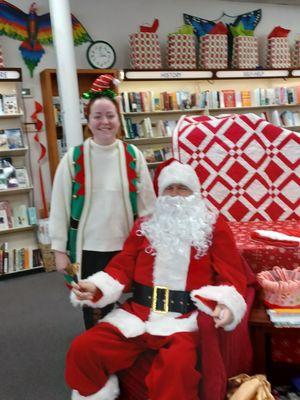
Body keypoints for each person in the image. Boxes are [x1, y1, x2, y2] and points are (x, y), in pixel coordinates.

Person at [65, 159, 248, 400]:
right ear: (160, 195)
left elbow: (231, 276)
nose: (175, 196)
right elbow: (123, 265)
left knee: (176, 369)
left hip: (182, 321)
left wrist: (225, 304)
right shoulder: (146, 226)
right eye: (169, 189)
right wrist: (97, 286)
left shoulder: (213, 227)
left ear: (195, 193)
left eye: (182, 188)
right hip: (137, 314)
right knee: (84, 348)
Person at [49, 74, 156, 329]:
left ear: (119, 119)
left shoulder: (133, 156)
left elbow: (148, 205)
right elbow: (59, 207)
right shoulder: (74, 158)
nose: (104, 122)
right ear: (88, 120)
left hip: (126, 246)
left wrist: (152, 242)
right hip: (88, 249)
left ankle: (124, 350)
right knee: (93, 305)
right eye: (97, 116)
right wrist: (59, 251)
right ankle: (99, 356)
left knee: (132, 302)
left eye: (110, 115)